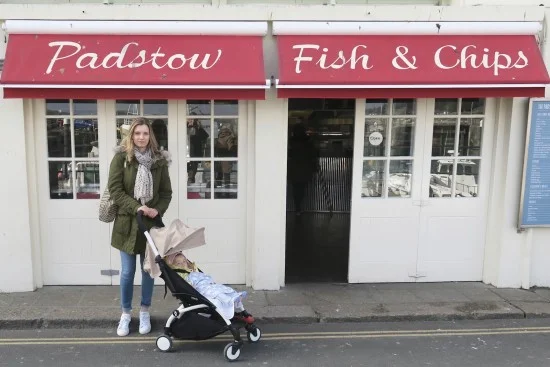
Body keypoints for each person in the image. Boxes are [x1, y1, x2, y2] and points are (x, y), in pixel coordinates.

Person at [107, 117, 173, 337]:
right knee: (127, 273)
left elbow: (165, 193)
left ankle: (144, 311)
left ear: (150, 136)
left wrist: (157, 210)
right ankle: (126, 314)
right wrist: (138, 207)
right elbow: (115, 190)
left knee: (148, 272)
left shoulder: (159, 161)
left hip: (150, 226)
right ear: (131, 136)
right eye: (137, 133)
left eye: (145, 133)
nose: (141, 137)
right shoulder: (121, 158)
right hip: (127, 224)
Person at [287, 122, 319, 215]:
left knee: (295, 188)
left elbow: (289, 154)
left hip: (293, 168)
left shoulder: (290, 142)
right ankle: (299, 207)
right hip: (305, 168)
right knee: (302, 188)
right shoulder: (308, 142)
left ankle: (297, 207)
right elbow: (313, 155)